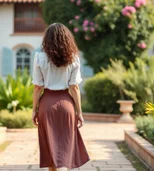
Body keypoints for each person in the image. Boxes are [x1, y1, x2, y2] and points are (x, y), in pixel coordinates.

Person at [32, 23, 90, 171]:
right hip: (66, 104)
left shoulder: (39, 57)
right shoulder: (73, 58)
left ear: (47, 39)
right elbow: (74, 87)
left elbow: (38, 87)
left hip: (46, 104)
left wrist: (34, 110)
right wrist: (80, 112)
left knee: (49, 146)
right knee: (65, 145)